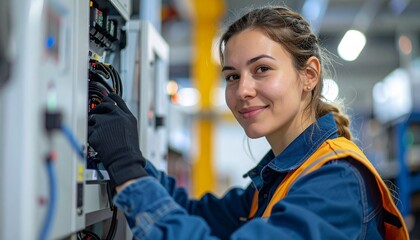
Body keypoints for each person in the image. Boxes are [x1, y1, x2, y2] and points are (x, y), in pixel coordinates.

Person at [88, 6, 409, 240]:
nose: (243, 90)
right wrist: (126, 152)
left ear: (308, 75)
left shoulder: (335, 182)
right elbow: (192, 212)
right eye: (232, 76)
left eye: (262, 70)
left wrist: (129, 173)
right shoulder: (281, 178)